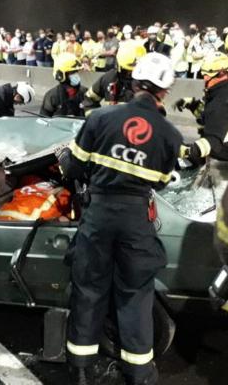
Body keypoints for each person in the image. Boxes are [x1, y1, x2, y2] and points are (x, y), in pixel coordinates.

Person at [57, 52, 182, 385]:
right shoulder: (171, 135)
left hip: (98, 214)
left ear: (133, 81)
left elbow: (75, 165)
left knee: (88, 290)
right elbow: (161, 181)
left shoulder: (101, 118)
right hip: (135, 220)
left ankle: (81, 369)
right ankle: (139, 373)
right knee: (135, 294)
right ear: (164, 92)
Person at [175, 51, 228, 165]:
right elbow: (209, 117)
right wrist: (192, 104)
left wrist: (188, 151)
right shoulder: (219, 92)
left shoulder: (221, 101)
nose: (204, 78)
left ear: (222, 73)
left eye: (208, 74)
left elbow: (213, 142)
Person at [83, 44, 146, 115]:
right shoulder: (109, 78)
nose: (132, 74)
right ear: (119, 66)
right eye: (127, 71)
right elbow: (89, 99)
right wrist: (95, 119)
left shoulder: (149, 84)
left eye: (137, 71)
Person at [40, 53, 87, 117]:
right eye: (72, 72)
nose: (76, 75)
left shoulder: (85, 93)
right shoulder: (52, 96)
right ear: (61, 75)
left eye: (76, 72)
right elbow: (43, 119)